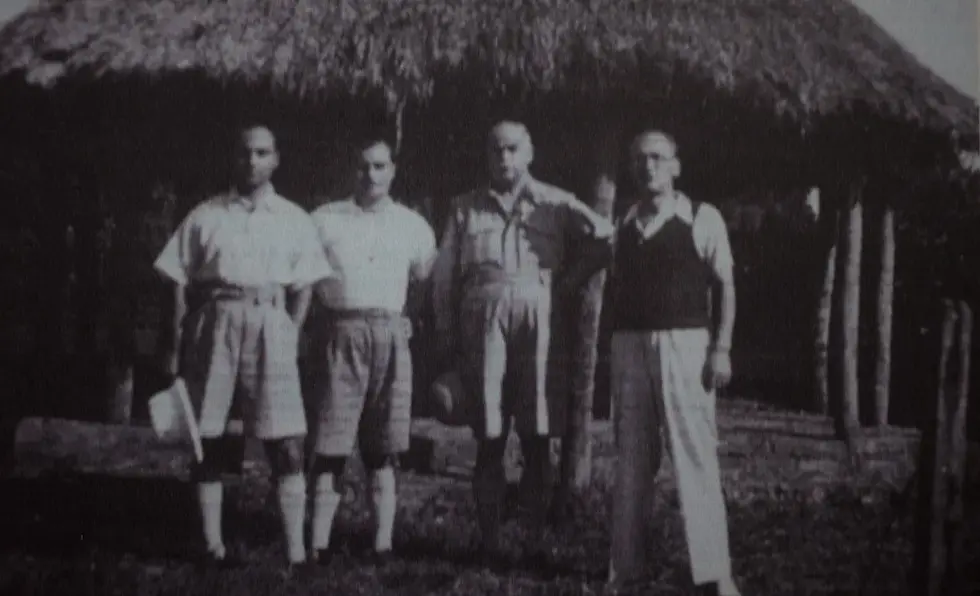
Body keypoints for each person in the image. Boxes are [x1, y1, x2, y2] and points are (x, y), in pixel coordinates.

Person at [430, 120, 614, 564]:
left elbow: (606, 240)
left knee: (536, 437)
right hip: (481, 322)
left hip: (539, 322)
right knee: (490, 436)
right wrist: (448, 338)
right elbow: (443, 280)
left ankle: (532, 544)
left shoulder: (555, 202)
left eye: (513, 149)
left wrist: (568, 283)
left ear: (529, 153)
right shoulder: (464, 208)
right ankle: (490, 542)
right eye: (496, 150)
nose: (504, 158)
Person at [154, 123, 333, 572]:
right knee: (206, 437)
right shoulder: (206, 214)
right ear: (233, 159)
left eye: (261, 153)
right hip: (215, 322)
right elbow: (176, 280)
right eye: (244, 154)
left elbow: (306, 284)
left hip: (271, 321)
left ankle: (295, 552)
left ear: (276, 160)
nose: (252, 162)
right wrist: (175, 345)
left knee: (286, 439)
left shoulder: (294, 218)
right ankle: (212, 545)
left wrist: (289, 329)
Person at [606, 130, 740, 596]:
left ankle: (716, 574)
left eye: (658, 158)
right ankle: (624, 573)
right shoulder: (624, 221)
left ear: (676, 166)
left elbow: (725, 286)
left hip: (685, 346)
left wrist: (721, 348)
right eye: (640, 158)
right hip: (630, 347)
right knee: (631, 463)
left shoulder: (702, 218)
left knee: (694, 456)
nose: (648, 167)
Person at [306, 136, 437, 565]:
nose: (371, 175)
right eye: (363, 166)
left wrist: (407, 318)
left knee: (384, 447)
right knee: (330, 444)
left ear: (393, 170)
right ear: (351, 169)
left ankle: (382, 545)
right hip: (340, 332)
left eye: (380, 166)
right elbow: (305, 282)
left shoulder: (412, 224)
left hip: (390, 335)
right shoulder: (324, 219)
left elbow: (423, 281)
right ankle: (318, 545)